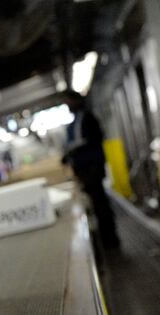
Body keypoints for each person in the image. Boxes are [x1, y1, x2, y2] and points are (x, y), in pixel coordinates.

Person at [63, 90, 120, 248]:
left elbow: (91, 139)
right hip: (85, 169)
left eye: (68, 101)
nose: (67, 105)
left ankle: (110, 240)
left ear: (75, 101)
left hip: (92, 168)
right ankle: (106, 238)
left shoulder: (86, 118)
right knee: (96, 203)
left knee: (100, 203)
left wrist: (71, 151)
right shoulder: (77, 121)